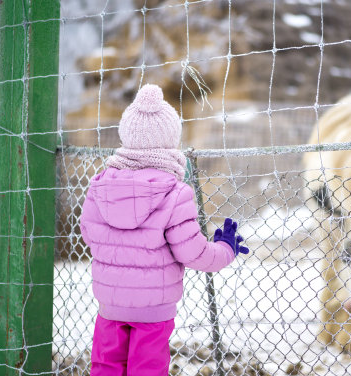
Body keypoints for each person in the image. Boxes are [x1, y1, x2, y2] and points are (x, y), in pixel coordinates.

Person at [79, 84, 249, 376]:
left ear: (126, 136)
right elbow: (193, 253)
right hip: (153, 309)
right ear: (171, 140)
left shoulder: (100, 186)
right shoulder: (174, 192)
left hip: (110, 304)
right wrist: (225, 249)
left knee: (105, 366)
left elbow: (90, 235)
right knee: (146, 369)